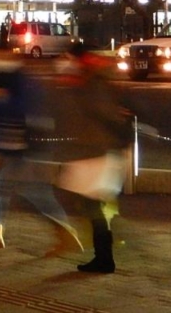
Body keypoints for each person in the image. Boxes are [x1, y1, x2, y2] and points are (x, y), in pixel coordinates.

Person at [0, 47, 81, 256]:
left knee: (32, 194)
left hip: (23, 148)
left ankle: (66, 235)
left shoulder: (20, 81)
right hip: (7, 147)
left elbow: (20, 109)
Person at [56, 42, 133, 274]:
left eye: (67, 58)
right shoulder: (90, 79)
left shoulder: (92, 82)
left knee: (90, 204)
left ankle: (104, 257)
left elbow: (104, 114)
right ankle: (104, 254)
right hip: (92, 151)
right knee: (90, 204)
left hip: (97, 152)